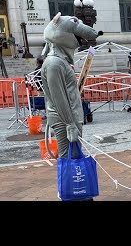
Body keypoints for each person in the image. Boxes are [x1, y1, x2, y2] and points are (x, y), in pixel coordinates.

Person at [41, 13, 102, 201]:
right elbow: (59, 99)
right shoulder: (53, 63)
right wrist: (69, 124)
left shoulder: (62, 62)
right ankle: (73, 195)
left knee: (74, 159)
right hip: (64, 122)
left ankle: (79, 194)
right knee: (70, 163)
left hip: (72, 121)